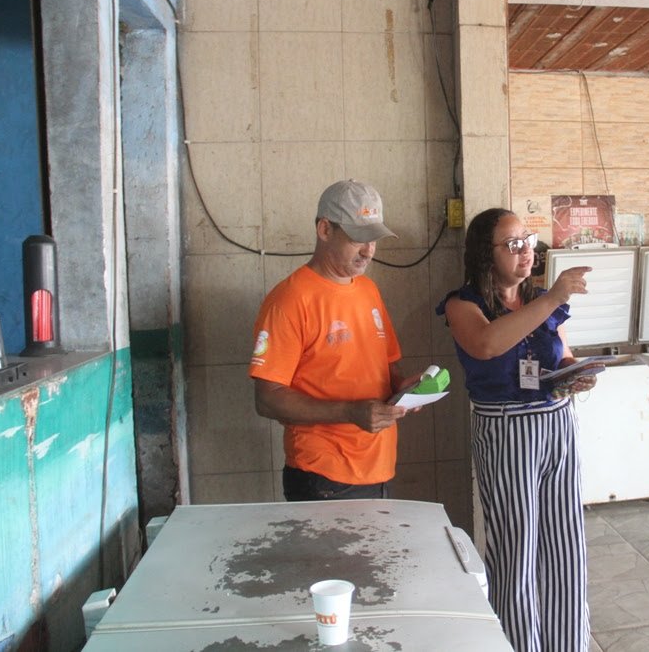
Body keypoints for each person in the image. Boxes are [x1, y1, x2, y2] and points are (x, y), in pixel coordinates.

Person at [436, 208, 595, 652]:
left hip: (557, 420)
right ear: (485, 254)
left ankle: (568, 644)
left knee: (566, 541)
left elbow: (562, 352)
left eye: (528, 240)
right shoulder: (463, 304)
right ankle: (519, 644)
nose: (526, 251)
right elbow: (487, 344)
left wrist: (575, 372)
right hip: (508, 428)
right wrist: (553, 297)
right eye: (513, 244)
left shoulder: (539, 299)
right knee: (516, 547)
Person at [249, 179, 419, 501]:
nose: (368, 250)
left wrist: (405, 389)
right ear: (325, 230)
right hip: (322, 477)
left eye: (374, 239)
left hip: (378, 468)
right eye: (358, 238)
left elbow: (385, 369)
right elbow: (267, 399)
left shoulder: (368, 290)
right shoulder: (289, 300)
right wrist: (349, 412)